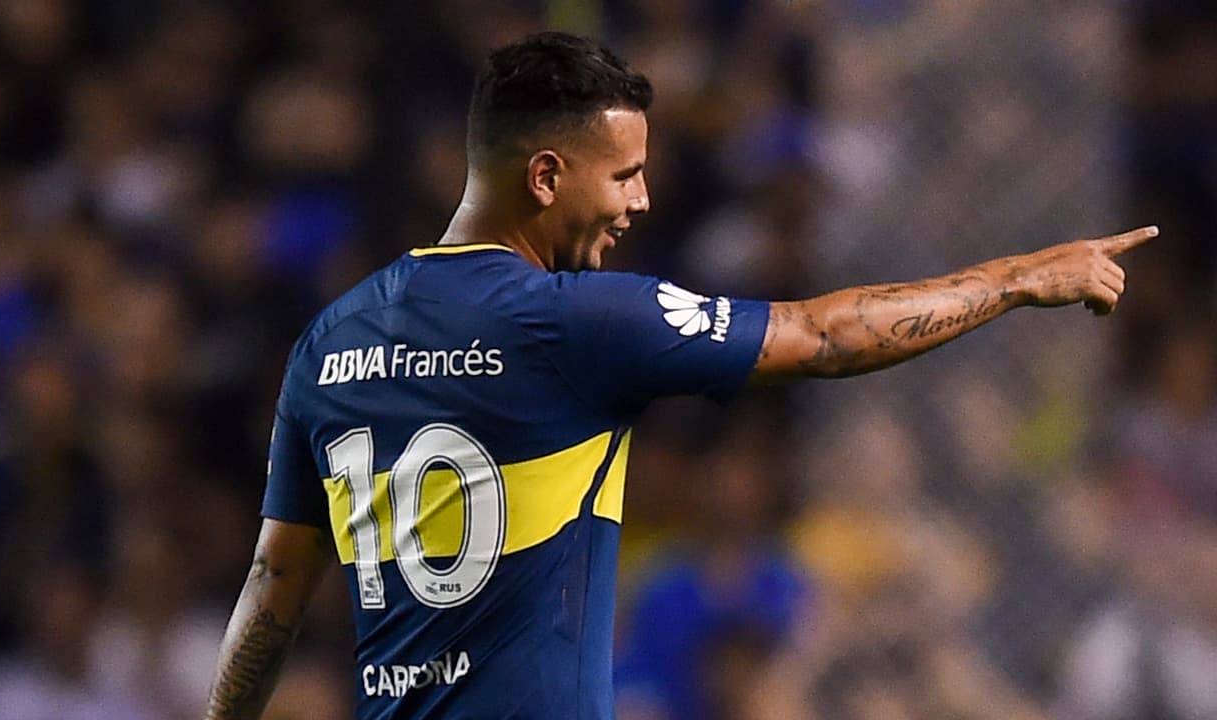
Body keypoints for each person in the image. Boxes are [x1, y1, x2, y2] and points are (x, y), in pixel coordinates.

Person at [203, 31, 1159, 720]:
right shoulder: (574, 320)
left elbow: (275, 585)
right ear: (545, 177)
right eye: (622, 176)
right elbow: (823, 339)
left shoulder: (332, 339)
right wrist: (1020, 278)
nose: (642, 201)